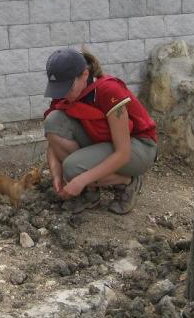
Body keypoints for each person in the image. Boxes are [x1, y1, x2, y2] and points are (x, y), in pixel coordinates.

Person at [43, 48, 158, 215]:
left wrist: (80, 180)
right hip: (103, 139)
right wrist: (56, 175)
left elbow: (123, 153)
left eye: (68, 88)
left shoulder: (108, 91)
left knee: (72, 168)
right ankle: (90, 192)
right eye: (59, 89)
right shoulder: (64, 92)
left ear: (85, 74)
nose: (63, 94)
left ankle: (127, 181)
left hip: (138, 146)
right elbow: (53, 138)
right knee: (53, 120)